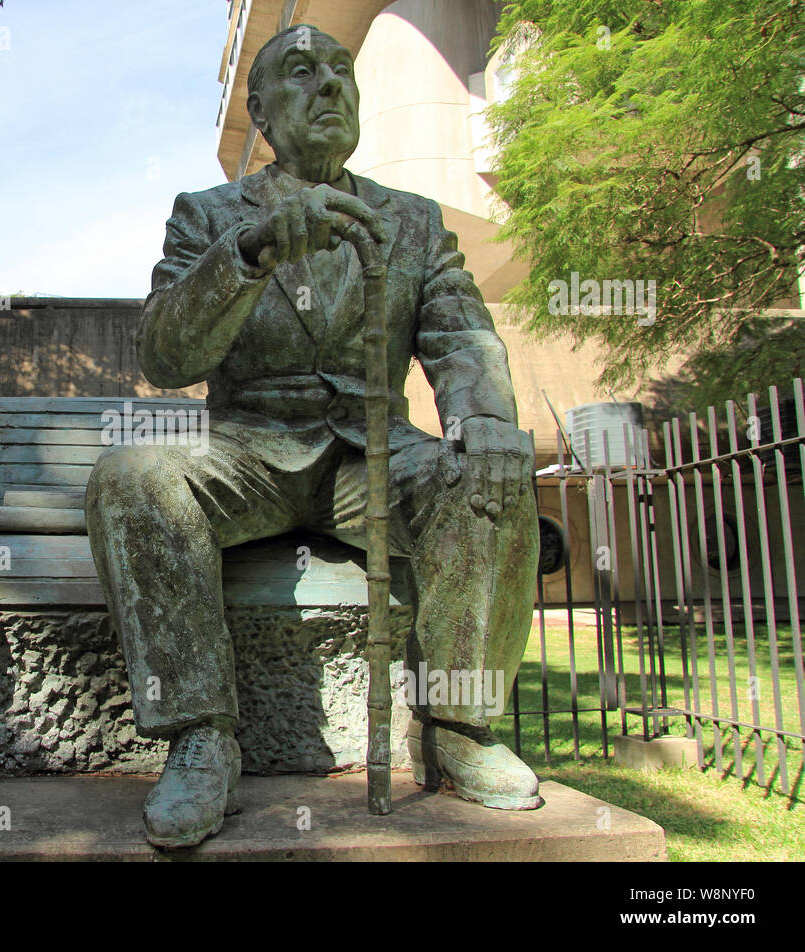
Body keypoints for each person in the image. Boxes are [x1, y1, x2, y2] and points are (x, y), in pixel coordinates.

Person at [85, 24, 540, 850]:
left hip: (373, 453)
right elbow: (163, 355)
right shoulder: (209, 215)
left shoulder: (413, 221)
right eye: (301, 72)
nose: (330, 85)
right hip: (247, 447)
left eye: (342, 71)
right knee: (131, 476)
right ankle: (200, 738)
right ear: (257, 109)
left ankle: (458, 728)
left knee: (491, 476)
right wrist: (248, 254)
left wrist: (485, 422)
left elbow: (462, 337)